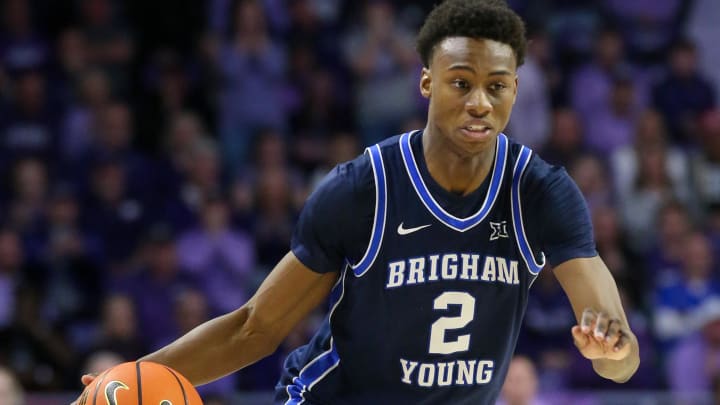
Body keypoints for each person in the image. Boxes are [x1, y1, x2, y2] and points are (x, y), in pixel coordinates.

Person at [73, 1, 639, 404]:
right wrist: (127, 378)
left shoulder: (540, 193)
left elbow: (623, 361)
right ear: (426, 83)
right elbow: (254, 330)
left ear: (517, 88)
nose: (479, 103)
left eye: (497, 86)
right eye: (461, 82)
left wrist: (608, 349)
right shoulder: (363, 188)